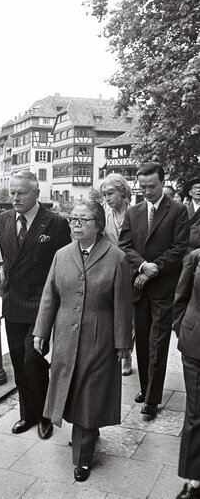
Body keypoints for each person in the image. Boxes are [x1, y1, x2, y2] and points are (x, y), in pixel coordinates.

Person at [33, 201, 133, 481]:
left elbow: (123, 306)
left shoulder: (117, 258)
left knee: (90, 395)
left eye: (83, 220)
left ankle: (82, 459)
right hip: (65, 336)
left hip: (99, 339)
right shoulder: (62, 255)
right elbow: (50, 296)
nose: (76, 224)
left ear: (98, 225)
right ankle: (87, 434)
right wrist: (41, 331)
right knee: (71, 388)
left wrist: (123, 344)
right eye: (72, 219)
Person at [0, 171, 71, 439]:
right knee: (18, 362)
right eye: (12, 192)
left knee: (34, 361)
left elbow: (64, 267)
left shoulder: (54, 223)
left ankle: (45, 415)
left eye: (21, 193)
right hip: (14, 303)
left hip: (42, 304)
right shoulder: (3, 220)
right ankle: (27, 414)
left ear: (36, 194)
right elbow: (7, 259)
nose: (15, 198)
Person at [119, 162, 189, 418]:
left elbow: (179, 248)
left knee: (159, 342)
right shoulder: (133, 212)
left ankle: (152, 399)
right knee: (144, 340)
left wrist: (152, 270)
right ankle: (146, 386)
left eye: (152, 186)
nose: (147, 191)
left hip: (163, 287)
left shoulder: (177, 210)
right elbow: (124, 245)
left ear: (162, 183)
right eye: (143, 186)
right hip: (139, 286)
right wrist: (143, 266)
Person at [100, 173, 134, 375]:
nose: (107, 199)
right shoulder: (105, 216)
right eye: (104, 195)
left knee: (131, 317)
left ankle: (128, 354)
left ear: (122, 191)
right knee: (115, 314)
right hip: (112, 271)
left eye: (110, 193)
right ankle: (121, 354)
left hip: (134, 270)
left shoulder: (136, 213)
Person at [173, 249, 200, 499]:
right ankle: (194, 480)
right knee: (196, 412)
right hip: (196, 346)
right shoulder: (196, 257)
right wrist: (182, 329)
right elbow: (180, 297)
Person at [184, 177, 200, 253]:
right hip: (186, 250)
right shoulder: (183, 209)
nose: (198, 190)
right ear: (190, 192)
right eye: (196, 188)